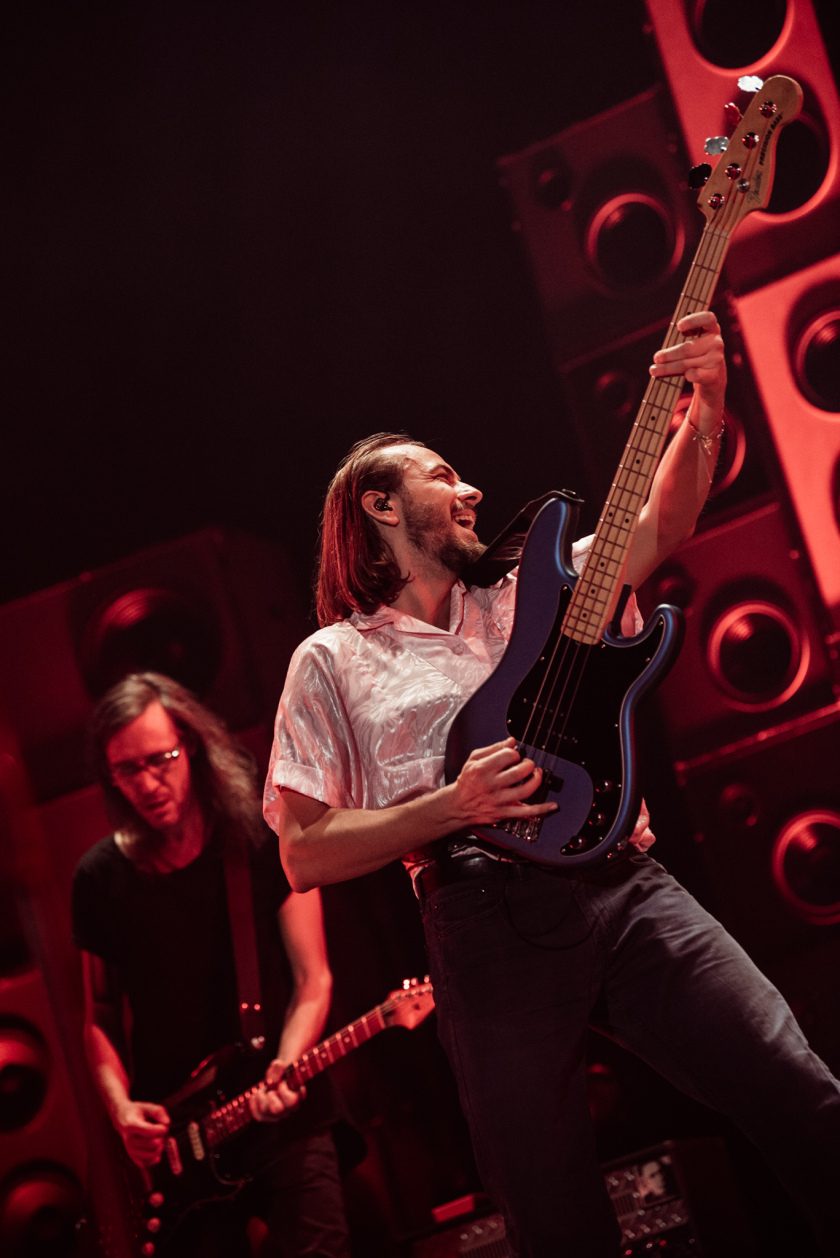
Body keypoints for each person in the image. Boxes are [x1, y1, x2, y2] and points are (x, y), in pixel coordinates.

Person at [263, 311, 840, 1258]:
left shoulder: (532, 582)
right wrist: (452, 806)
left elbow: (663, 520)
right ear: (377, 506)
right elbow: (302, 852)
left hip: (626, 882)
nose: (471, 487)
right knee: (552, 1209)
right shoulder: (330, 662)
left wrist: (711, 398)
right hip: (484, 925)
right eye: (443, 475)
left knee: (795, 1086)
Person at [72, 672, 350, 1258]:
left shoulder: (260, 836)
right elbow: (97, 1016)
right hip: (177, 1143)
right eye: (127, 769)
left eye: (160, 759)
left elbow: (312, 978)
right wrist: (123, 1112)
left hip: (282, 1118)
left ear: (191, 745)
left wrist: (286, 1066)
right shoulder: (98, 880)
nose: (148, 783)